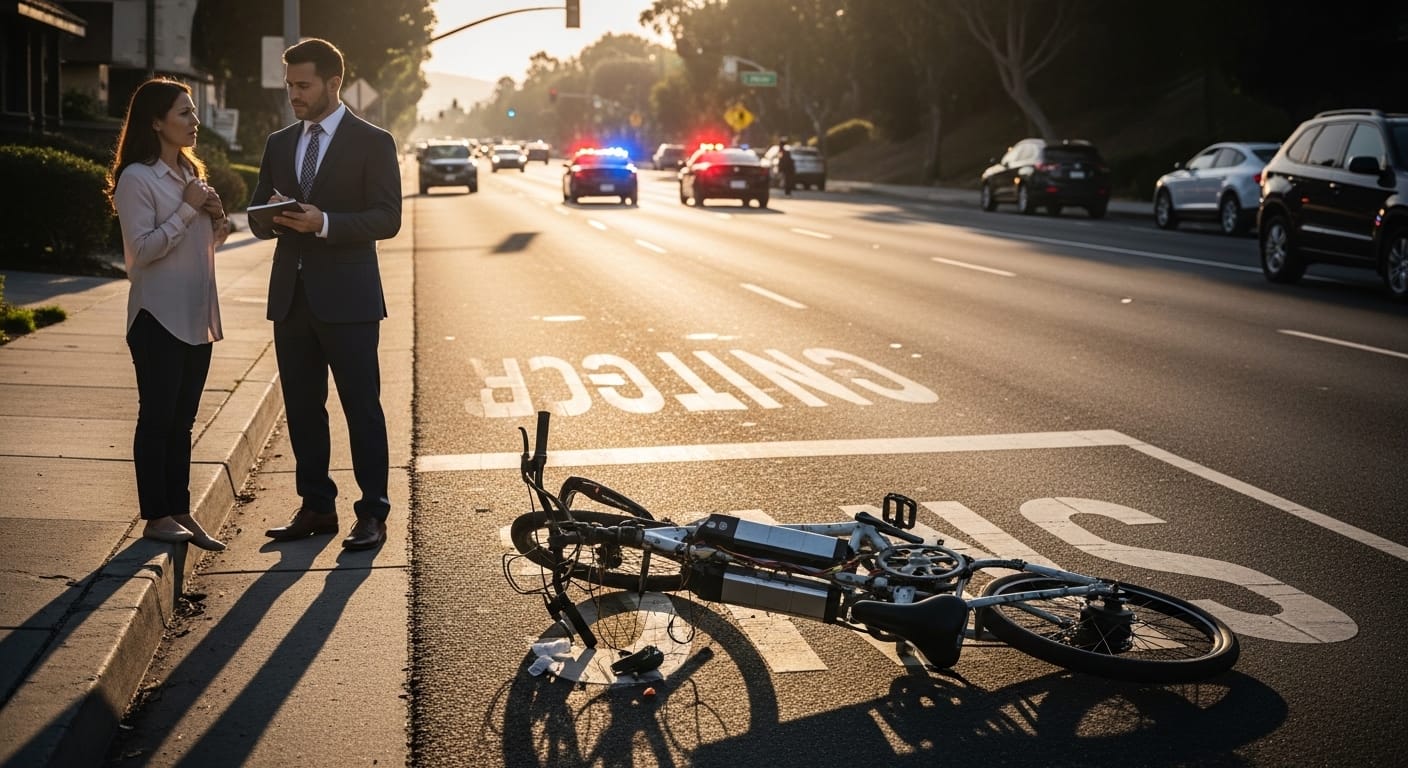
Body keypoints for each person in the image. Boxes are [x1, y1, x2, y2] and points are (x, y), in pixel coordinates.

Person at [247, 38, 401, 551]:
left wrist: (325, 222)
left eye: (303, 84)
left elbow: (387, 218)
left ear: (334, 83)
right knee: (303, 408)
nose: (293, 93)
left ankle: (372, 513)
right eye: (290, 84)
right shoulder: (278, 142)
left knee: (362, 407)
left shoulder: (373, 142)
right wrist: (272, 217)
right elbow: (256, 220)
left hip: (350, 299)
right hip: (291, 297)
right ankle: (316, 506)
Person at [108, 78, 230, 550]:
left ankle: (181, 511)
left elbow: (198, 250)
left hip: (195, 318)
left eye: (194, 112)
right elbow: (140, 253)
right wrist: (186, 211)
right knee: (157, 419)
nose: (194, 121)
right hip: (157, 319)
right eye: (184, 113)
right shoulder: (137, 179)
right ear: (156, 121)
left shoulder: (188, 174)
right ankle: (156, 516)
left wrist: (216, 222)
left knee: (182, 423)